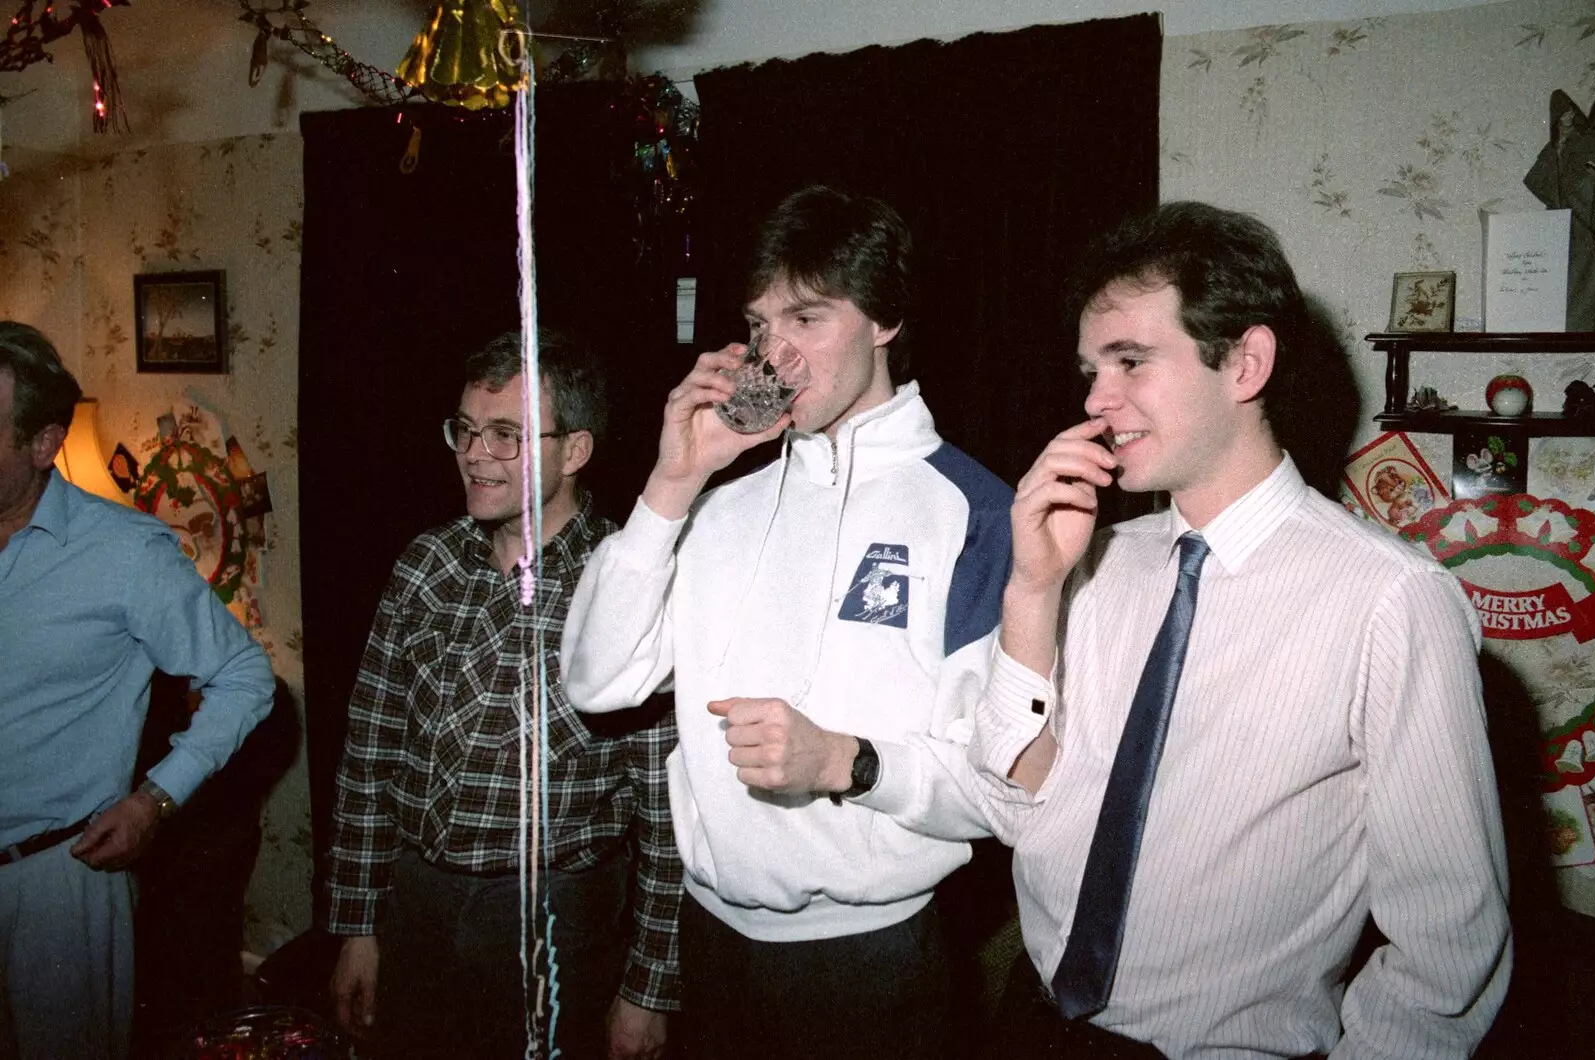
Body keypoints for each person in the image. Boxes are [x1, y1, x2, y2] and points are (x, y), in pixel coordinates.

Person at [966, 202, 1511, 1058]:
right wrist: (1031, 593)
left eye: (1131, 363)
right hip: (1029, 1026)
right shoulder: (1096, 565)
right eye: (1090, 369)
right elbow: (1013, 809)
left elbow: (1448, 950)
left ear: (1245, 363)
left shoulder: (1391, 599)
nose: (1094, 402)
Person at [560, 185, 1013, 1060]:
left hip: (871, 963)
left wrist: (844, 762)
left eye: (807, 318)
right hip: (710, 944)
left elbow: (999, 791)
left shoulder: (976, 511)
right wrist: (671, 483)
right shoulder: (720, 508)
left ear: (883, 321)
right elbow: (595, 680)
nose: (778, 354)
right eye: (762, 325)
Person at [324, 330, 680, 1060]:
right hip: (415, 903)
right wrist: (358, 926)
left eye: (506, 435)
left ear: (574, 451)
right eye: (465, 429)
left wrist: (648, 988)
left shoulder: (627, 586)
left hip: (559, 918)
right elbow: (369, 758)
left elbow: (666, 816)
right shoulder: (426, 564)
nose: (474, 452)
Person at [0, 321, 275, 1060]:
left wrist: (155, 799)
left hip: (57, 881)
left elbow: (245, 678)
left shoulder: (123, 554)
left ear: (43, 441)